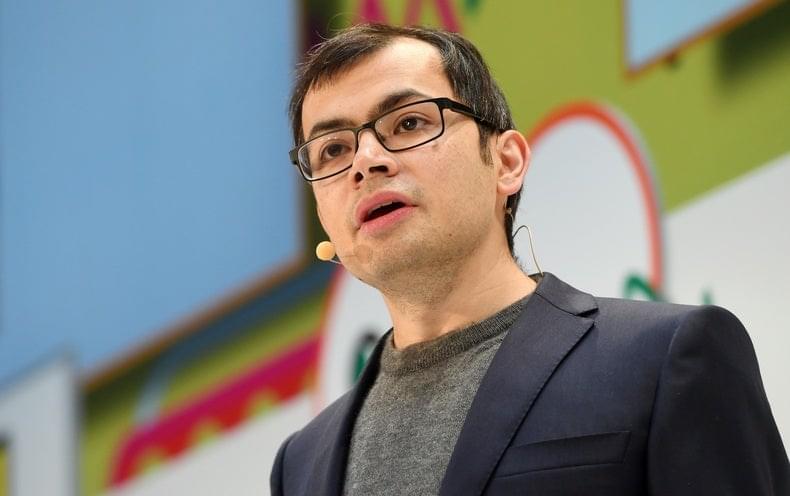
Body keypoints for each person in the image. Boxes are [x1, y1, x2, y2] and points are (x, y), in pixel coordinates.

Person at [270, 23, 789, 495]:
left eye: (408, 122)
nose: (366, 162)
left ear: (506, 162)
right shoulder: (301, 464)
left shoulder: (664, 357)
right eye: (332, 150)